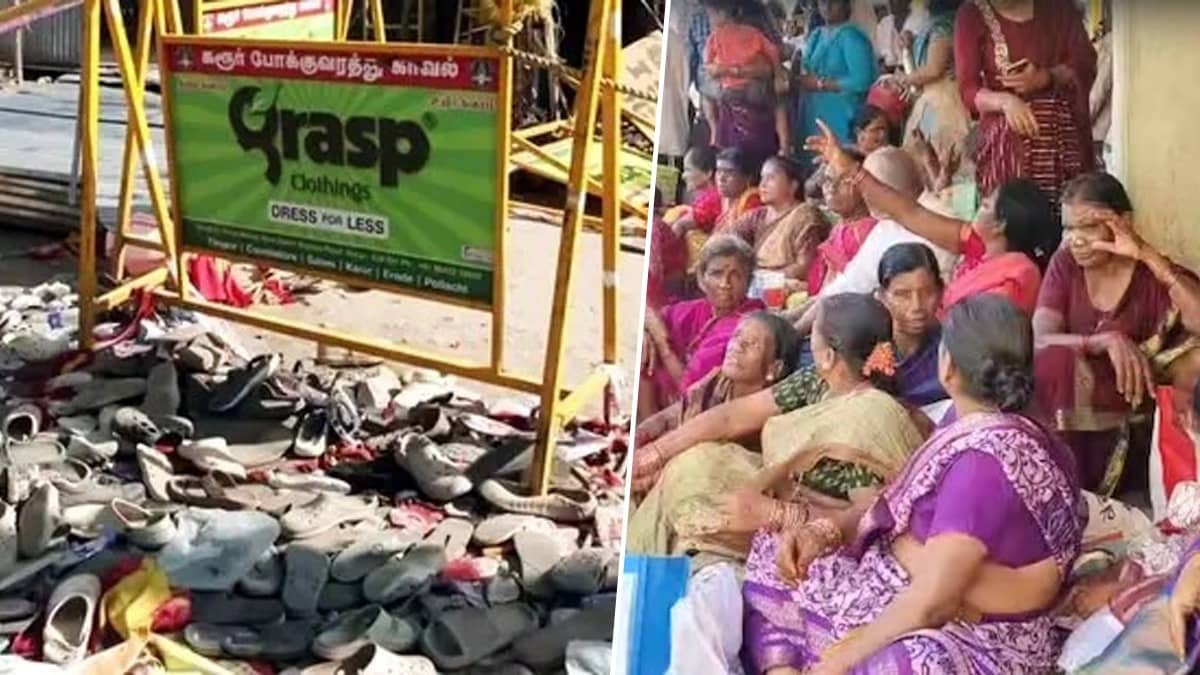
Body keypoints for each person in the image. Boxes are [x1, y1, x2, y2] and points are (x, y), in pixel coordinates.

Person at [742, 294, 1083, 673]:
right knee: (774, 548)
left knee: (907, 663)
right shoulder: (973, 421)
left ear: (948, 366)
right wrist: (823, 531)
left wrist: (840, 659)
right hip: (915, 581)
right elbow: (894, 505)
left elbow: (933, 602)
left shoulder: (981, 464)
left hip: (976, 633)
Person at [627, 294, 926, 568]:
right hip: (780, 496)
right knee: (693, 464)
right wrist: (655, 453)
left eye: (814, 335)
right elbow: (733, 416)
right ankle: (634, 565)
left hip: (818, 538)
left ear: (829, 356)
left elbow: (873, 515)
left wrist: (780, 515)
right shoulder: (817, 380)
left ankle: (640, 573)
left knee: (690, 498)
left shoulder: (869, 419)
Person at [1033, 172, 1200, 493]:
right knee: (1053, 359)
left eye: (1088, 226)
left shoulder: (1148, 274)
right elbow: (1040, 337)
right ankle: (1067, 486)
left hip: (1141, 399)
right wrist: (1105, 340)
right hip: (1087, 398)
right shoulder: (1065, 263)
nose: (1076, 240)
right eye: (1068, 228)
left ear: (1123, 222)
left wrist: (1145, 254)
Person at [806, 117, 1051, 316]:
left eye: (986, 205)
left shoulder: (1017, 275)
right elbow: (908, 212)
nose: (979, 206)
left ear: (1000, 225)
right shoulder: (974, 243)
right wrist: (850, 170)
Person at [789, 145, 957, 335]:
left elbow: (849, 291)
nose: (862, 195)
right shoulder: (889, 222)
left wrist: (794, 334)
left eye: (865, 187)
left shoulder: (932, 219)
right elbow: (845, 285)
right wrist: (792, 318)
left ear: (884, 189)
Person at [955, 0, 1097, 205]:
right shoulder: (971, 15)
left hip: (1065, 147)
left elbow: (1085, 62)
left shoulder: (1060, 8)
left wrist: (1047, 77)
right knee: (1014, 223)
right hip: (1006, 152)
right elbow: (968, 89)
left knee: (1069, 222)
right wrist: (1005, 102)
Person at [640, 236, 765, 420]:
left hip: (707, 414)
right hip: (670, 404)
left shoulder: (746, 324)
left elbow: (690, 388)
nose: (725, 284)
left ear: (748, 282)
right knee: (644, 351)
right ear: (701, 278)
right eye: (717, 274)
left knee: (649, 365)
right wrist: (647, 332)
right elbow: (654, 315)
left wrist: (662, 343)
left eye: (736, 275)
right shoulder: (699, 309)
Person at [636, 311, 800, 449]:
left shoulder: (773, 421)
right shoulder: (717, 382)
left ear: (774, 369)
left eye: (752, 344)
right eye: (736, 337)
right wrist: (639, 437)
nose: (737, 346)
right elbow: (670, 416)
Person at [729, 156, 831, 295]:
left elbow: (805, 267)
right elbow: (730, 238)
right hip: (756, 282)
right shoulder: (757, 215)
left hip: (787, 287)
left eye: (770, 178)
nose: (762, 185)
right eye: (762, 178)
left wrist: (764, 279)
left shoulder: (805, 216)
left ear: (793, 185)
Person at [700, 0, 786, 161]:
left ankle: (714, 134)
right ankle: (784, 145)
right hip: (756, 91)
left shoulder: (716, 36)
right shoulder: (753, 32)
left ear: (722, 15)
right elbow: (774, 51)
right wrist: (778, 73)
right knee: (779, 102)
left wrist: (722, 69)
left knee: (708, 96)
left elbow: (708, 66)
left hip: (729, 93)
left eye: (711, 15)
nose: (709, 19)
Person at [895, 0, 970, 182]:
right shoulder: (943, 23)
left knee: (946, 157)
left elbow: (933, 70)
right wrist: (909, 46)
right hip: (932, 99)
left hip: (945, 102)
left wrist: (901, 79)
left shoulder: (944, 25)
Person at [794, 0, 878, 156]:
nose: (827, 7)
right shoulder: (816, 34)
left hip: (842, 112)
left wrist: (822, 84)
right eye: (822, 2)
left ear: (846, 5)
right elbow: (807, 68)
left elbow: (863, 80)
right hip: (813, 110)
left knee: (838, 159)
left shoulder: (852, 37)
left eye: (834, 2)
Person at [808, 148, 876, 294]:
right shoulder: (840, 227)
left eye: (843, 180)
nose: (832, 187)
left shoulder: (867, 231)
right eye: (828, 180)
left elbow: (849, 290)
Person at [662, 145, 723, 279]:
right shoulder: (710, 197)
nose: (683, 176)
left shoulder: (711, 200)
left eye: (688, 170)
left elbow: (680, 226)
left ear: (708, 173)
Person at [874, 0, 931, 71]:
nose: (894, 3)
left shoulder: (923, 17)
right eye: (891, 1)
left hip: (920, 69)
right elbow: (881, 58)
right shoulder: (884, 24)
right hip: (894, 72)